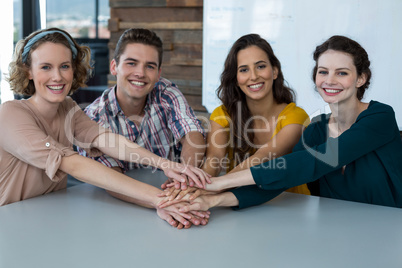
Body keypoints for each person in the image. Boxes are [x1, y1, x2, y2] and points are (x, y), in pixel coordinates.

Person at [0, 28, 210, 229]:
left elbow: (107, 140)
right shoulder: (10, 114)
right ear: (28, 71)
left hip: (51, 217)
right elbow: (72, 164)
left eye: (64, 66)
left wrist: (164, 164)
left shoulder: (68, 108)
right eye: (46, 67)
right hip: (9, 222)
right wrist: (160, 200)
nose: (57, 76)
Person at [167, 35, 402, 211]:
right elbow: (285, 175)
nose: (330, 80)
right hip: (334, 233)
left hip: (387, 230)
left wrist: (216, 184)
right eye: (323, 71)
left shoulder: (379, 117)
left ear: (361, 78)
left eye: (342, 73)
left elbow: (313, 161)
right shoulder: (317, 129)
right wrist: (216, 199)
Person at [161, 33, 310, 201]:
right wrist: (195, 187)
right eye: (244, 70)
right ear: (236, 79)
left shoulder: (296, 116)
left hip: (290, 204)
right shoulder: (223, 114)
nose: (253, 76)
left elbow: (262, 157)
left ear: (274, 71)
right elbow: (214, 159)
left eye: (260, 66)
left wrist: (214, 187)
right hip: (237, 201)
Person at [78, 28, 206, 198]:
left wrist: (182, 179)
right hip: (119, 206)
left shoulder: (165, 92)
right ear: (114, 67)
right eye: (131, 63)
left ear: (158, 73)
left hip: (172, 192)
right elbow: (112, 180)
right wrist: (163, 202)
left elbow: (192, 134)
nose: (140, 73)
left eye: (150, 66)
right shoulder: (93, 117)